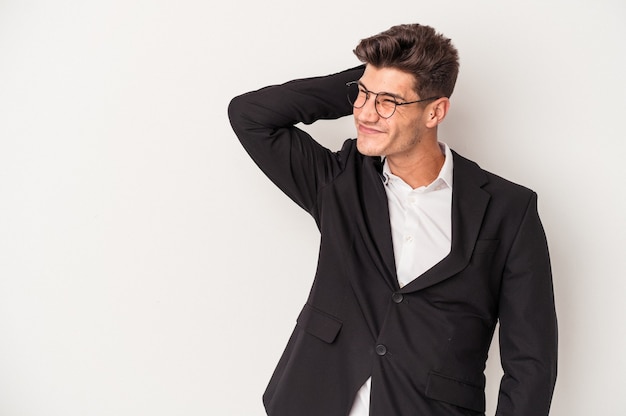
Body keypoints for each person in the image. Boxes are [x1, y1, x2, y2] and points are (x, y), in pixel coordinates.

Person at [228, 23, 557, 416]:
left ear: (435, 111)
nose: (365, 114)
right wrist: (367, 81)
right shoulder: (339, 181)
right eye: (363, 96)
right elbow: (249, 115)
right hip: (315, 401)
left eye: (387, 102)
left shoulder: (508, 210)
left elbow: (531, 362)